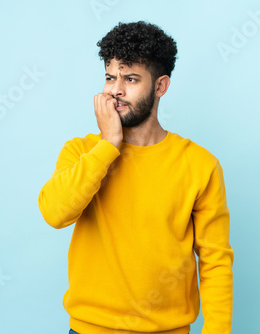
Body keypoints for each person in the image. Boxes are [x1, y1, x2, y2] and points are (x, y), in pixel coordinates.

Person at [38, 20, 234, 334]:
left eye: (130, 78)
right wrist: (108, 145)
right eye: (110, 77)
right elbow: (54, 213)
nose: (116, 89)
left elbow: (215, 260)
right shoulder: (82, 152)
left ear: (160, 86)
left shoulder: (200, 164)